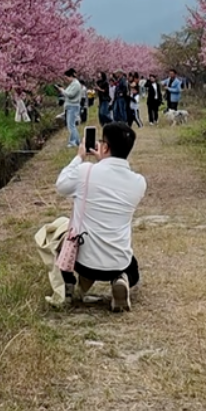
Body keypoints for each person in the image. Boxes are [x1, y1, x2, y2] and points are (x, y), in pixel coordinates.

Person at [55, 122, 146, 312]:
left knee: (59, 233)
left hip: (84, 263)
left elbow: (61, 185)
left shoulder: (85, 171)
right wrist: (103, 161)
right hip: (119, 261)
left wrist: (79, 157)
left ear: (104, 147)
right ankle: (121, 278)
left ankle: (72, 282)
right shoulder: (139, 183)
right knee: (131, 267)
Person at [55, 68, 84, 148]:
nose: (66, 79)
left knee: (71, 125)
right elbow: (67, 93)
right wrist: (61, 90)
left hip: (73, 106)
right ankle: (76, 141)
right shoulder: (73, 84)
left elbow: (70, 95)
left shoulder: (76, 84)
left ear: (70, 76)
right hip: (70, 106)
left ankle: (73, 142)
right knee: (71, 124)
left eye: (67, 77)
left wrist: (62, 90)